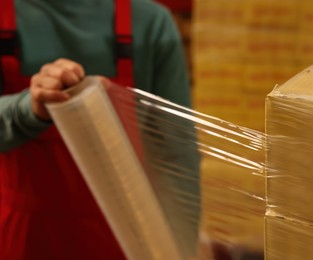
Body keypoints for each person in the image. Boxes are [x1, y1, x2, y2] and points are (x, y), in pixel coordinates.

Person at [0, 0, 197, 259]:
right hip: (22, 239)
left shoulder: (151, 24)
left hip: (125, 240)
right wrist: (29, 108)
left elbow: (177, 156)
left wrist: (182, 249)